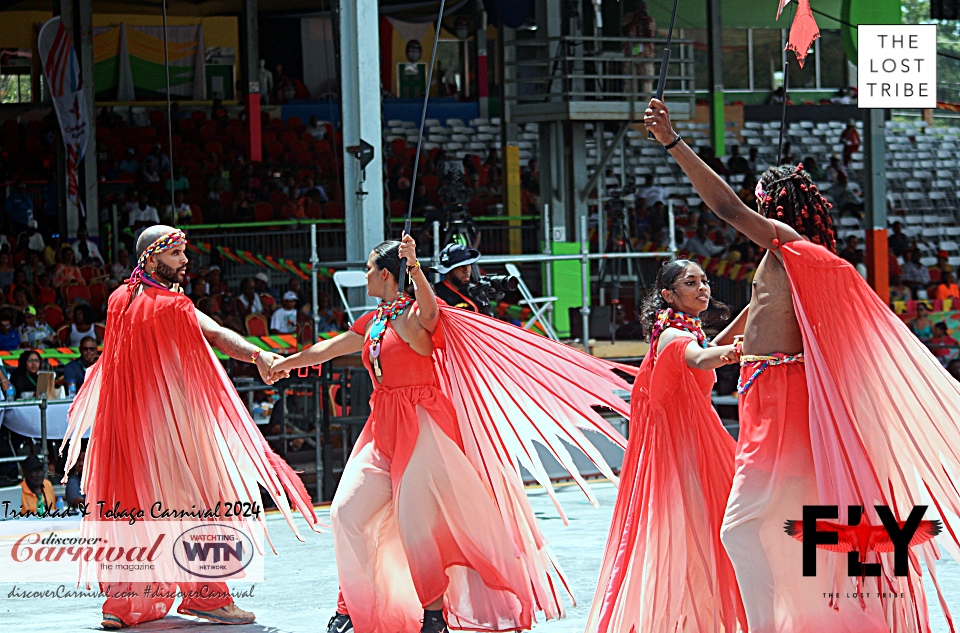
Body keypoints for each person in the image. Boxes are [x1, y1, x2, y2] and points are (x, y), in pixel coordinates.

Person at [646, 96, 960, 631]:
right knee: (802, 525)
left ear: (774, 206)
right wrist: (711, 348)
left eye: (761, 201)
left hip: (781, 399)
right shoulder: (788, 261)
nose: (755, 207)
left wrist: (674, 143)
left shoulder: (789, 244)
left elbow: (725, 210)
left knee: (744, 530)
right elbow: (757, 313)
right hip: (770, 396)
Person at [269, 234, 633, 633]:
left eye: (370, 269)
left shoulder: (414, 316)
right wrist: (286, 363)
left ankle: (434, 614)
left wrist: (415, 267)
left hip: (424, 426)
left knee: (415, 526)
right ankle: (354, 603)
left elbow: (429, 313)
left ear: (387, 274)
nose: (366, 276)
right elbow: (330, 348)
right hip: (382, 427)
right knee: (345, 513)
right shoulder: (375, 322)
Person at [60, 225, 320, 630]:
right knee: (201, 501)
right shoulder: (173, 306)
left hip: (123, 423)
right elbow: (216, 335)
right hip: (168, 422)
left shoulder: (116, 300)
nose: (184, 261)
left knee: (133, 506)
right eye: (176, 253)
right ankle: (208, 596)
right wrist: (260, 357)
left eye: (183, 252)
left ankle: (123, 603)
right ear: (149, 258)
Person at [584, 260, 746, 633]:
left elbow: (706, 348)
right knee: (703, 532)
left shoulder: (681, 328)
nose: (703, 288)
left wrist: (751, 309)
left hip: (688, 444)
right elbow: (701, 357)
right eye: (691, 283)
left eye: (704, 281)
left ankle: (698, 614)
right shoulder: (675, 336)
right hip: (687, 450)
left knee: (700, 533)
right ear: (669, 295)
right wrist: (731, 354)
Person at [431, 243, 481, 312]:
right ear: (448, 271)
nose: (466, 270)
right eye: (461, 266)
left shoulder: (476, 292)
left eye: (468, 265)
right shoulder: (435, 295)